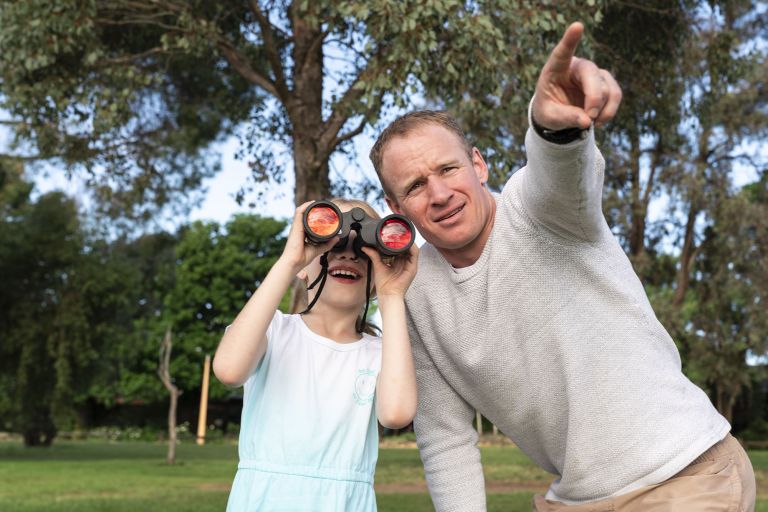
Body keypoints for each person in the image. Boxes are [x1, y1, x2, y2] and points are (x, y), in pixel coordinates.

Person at [368, 22, 755, 512]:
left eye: (447, 169)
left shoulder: (536, 210)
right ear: (394, 206)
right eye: (416, 186)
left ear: (479, 164)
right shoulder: (415, 290)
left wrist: (555, 126)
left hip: (683, 475)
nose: (440, 193)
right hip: (575, 498)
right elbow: (446, 440)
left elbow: (563, 173)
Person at [213, 198, 419, 511]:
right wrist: (288, 261)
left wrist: (392, 295)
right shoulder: (274, 331)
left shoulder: (380, 354)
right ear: (303, 265)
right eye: (331, 245)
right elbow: (228, 370)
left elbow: (396, 414)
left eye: (365, 249)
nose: (348, 254)